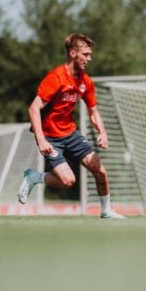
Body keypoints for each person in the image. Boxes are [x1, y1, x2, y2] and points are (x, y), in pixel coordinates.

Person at [17, 33, 125, 219]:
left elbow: (93, 111)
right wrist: (41, 139)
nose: (89, 59)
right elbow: (34, 108)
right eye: (85, 54)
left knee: (101, 171)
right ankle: (34, 177)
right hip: (50, 137)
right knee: (68, 181)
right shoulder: (56, 77)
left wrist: (103, 132)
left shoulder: (85, 81)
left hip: (71, 134)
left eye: (90, 54)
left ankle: (106, 211)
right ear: (73, 53)